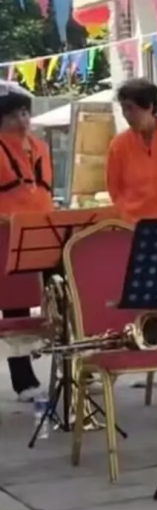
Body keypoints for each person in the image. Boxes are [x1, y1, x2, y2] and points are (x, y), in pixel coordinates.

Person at [0, 84, 53, 401]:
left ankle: (75, 366)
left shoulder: (40, 147)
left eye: (25, 113)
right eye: (15, 115)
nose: (22, 120)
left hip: (44, 230)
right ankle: (22, 380)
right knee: (14, 306)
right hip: (6, 236)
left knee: (62, 298)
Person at [106, 78, 157, 223]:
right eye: (123, 109)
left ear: (150, 106)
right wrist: (125, 214)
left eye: (131, 108)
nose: (126, 114)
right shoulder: (118, 145)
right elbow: (114, 189)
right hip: (133, 225)